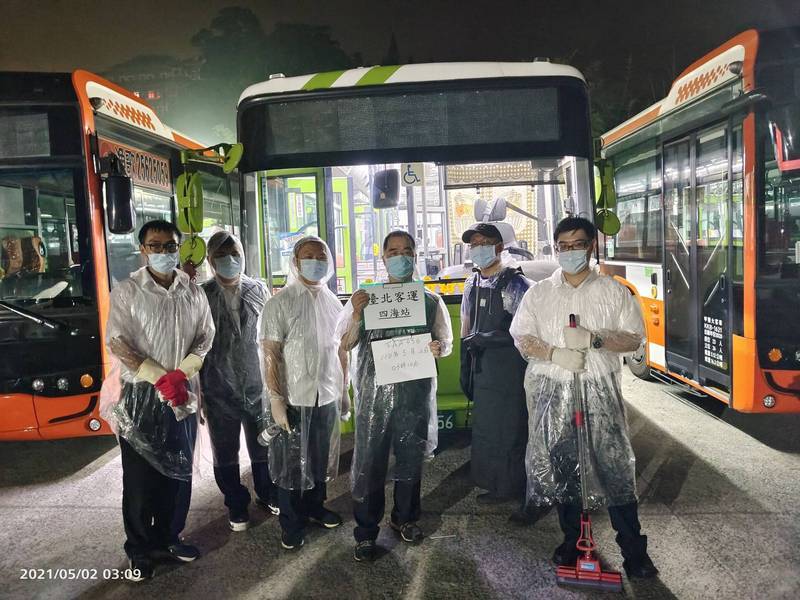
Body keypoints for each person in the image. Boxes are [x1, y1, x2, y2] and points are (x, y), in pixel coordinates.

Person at [509, 216, 658, 579]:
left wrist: (596, 339)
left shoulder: (612, 291)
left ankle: (633, 550)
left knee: (614, 467)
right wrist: (554, 353)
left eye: (578, 244)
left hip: (599, 392)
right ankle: (572, 541)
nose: (570, 251)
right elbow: (522, 337)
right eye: (563, 245)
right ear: (555, 247)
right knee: (565, 470)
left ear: (592, 246)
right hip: (554, 391)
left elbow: (634, 338)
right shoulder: (540, 293)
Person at [99, 219, 215, 582]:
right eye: (155, 245)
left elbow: (205, 336)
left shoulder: (191, 291)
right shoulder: (129, 291)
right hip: (141, 396)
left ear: (178, 248)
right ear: (142, 249)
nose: (163, 252)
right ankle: (140, 549)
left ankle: (170, 537)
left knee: (178, 473)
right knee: (139, 480)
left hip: (181, 392)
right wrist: (158, 377)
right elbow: (117, 341)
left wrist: (182, 374)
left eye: (169, 246)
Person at [339, 231, 453, 563]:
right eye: (393, 251)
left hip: (413, 395)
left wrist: (437, 348)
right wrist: (358, 315)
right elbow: (345, 343)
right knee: (370, 464)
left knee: (410, 461)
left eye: (407, 251)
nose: (400, 257)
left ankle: (405, 518)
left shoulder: (429, 300)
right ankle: (365, 532)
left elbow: (444, 342)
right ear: (383, 257)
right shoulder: (366, 299)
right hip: (373, 399)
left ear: (415, 256)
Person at [260, 236, 345, 551]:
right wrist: (276, 398)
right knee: (291, 463)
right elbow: (270, 353)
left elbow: (340, 350)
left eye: (321, 255)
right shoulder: (279, 303)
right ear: (295, 263)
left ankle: (315, 507)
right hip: (294, 397)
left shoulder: (333, 301)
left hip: (326, 395)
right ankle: (291, 522)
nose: (315, 261)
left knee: (319, 459)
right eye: (308, 255)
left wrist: (344, 390)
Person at [200, 231, 278, 532]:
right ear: (210, 260)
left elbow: (271, 336)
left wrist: (276, 384)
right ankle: (235, 504)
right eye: (221, 256)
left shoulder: (258, 289)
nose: (230, 261)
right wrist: (200, 395)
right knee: (225, 450)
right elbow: (194, 344)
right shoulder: (201, 294)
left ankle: (267, 493)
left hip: (258, 385)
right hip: (218, 389)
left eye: (235, 254)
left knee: (263, 446)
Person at [459, 223, 535, 522]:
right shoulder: (471, 283)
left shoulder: (515, 284)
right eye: (473, 243)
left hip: (508, 372)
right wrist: (466, 364)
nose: (478, 248)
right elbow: (466, 326)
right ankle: (493, 483)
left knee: (511, 430)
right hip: (483, 369)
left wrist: (493, 338)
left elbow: (527, 334)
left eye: (484, 242)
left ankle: (514, 487)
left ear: (499, 247)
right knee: (487, 430)